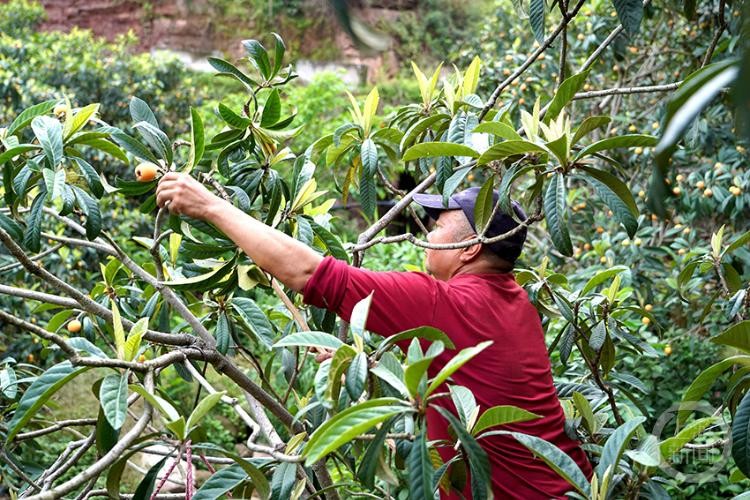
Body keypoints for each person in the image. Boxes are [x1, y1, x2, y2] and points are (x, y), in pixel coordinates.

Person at [156, 172, 593, 498]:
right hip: (573, 484)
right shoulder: (517, 303)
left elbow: (308, 273)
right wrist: (367, 362)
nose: (427, 232)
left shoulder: (441, 303)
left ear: (469, 248)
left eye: (437, 225)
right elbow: (470, 373)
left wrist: (210, 206)